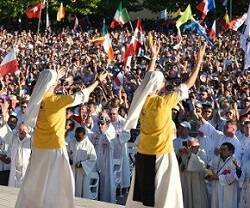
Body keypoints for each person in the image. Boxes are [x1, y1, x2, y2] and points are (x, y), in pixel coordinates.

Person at [124, 39, 207, 208]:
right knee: (164, 197)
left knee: (144, 200)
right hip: (161, 155)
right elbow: (189, 84)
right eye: (163, 81)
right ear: (159, 85)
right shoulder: (164, 102)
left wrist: (154, 58)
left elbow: (146, 83)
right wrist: (198, 63)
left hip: (143, 153)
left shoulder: (140, 100)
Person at [15, 68, 107, 208]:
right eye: (56, 80)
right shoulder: (55, 101)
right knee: (59, 187)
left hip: (39, 149)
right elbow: (81, 95)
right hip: (54, 150)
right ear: (52, 84)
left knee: (36, 185)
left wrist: (55, 76)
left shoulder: (37, 101)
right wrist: (97, 81)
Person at [207, 142, 239, 208]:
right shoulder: (216, 158)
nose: (221, 151)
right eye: (221, 149)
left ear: (230, 152)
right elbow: (208, 167)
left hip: (228, 190)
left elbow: (233, 176)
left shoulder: (235, 161)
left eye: (224, 149)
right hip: (216, 188)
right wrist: (209, 176)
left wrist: (217, 177)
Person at [68, 127, 97, 198]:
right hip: (72, 171)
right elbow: (67, 154)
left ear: (84, 135)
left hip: (82, 173)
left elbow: (93, 159)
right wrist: (69, 159)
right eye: (76, 136)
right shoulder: (71, 143)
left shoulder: (89, 146)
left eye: (79, 136)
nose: (76, 138)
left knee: (81, 191)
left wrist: (82, 164)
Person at [179, 138, 209, 208]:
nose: (189, 148)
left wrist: (190, 155)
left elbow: (202, 165)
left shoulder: (202, 153)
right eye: (188, 145)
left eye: (192, 146)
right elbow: (182, 166)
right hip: (187, 183)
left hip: (198, 182)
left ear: (198, 146)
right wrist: (179, 156)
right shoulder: (185, 153)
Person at [7, 123, 31, 188]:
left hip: (25, 170)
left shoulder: (30, 141)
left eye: (24, 130)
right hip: (14, 170)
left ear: (27, 130)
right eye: (20, 130)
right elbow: (9, 154)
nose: (21, 131)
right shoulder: (14, 140)